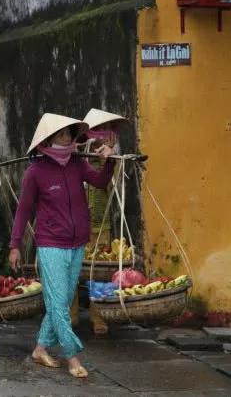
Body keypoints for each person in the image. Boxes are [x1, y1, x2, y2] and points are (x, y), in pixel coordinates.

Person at [8, 113, 114, 379]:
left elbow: (100, 182)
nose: (66, 139)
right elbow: (23, 211)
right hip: (50, 243)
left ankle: (40, 348)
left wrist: (108, 162)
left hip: (77, 242)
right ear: (49, 139)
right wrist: (15, 245)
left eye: (69, 134)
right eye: (61, 135)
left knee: (62, 300)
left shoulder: (77, 164)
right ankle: (73, 356)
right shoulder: (36, 171)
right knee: (58, 304)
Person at [78, 108, 129, 335]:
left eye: (111, 132)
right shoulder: (80, 149)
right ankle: (70, 314)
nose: (108, 136)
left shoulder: (113, 153)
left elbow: (112, 183)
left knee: (99, 273)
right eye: (104, 131)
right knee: (75, 271)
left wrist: (109, 157)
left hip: (102, 222)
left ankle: (98, 316)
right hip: (79, 221)